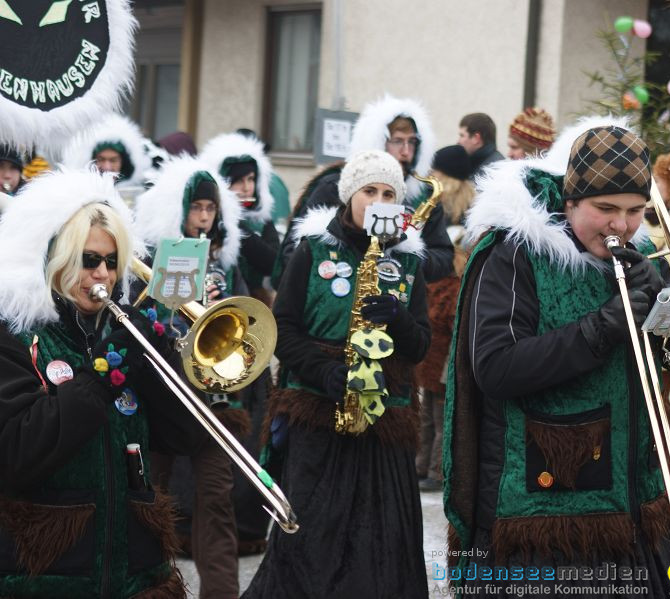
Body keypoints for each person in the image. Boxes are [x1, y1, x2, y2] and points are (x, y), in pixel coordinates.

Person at [444, 116, 670, 598]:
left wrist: (666, 315)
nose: (622, 225)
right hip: (538, 509)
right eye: (605, 208)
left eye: (636, 211)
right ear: (570, 201)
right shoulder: (516, 253)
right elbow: (496, 368)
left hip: (629, 498)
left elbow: (657, 367)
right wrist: (605, 326)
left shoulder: (638, 257)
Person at [0, 168, 205, 598]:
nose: (103, 274)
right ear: (59, 260)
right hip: (51, 572)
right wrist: (104, 373)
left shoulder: (121, 335)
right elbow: (17, 451)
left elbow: (186, 436)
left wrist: (158, 360)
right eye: (89, 260)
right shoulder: (19, 338)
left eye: (112, 262)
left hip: (134, 571)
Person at [244, 150, 430, 598]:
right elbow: (282, 329)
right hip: (317, 416)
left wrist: (399, 319)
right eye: (370, 191)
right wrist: (327, 374)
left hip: (385, 420)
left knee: (382, 544)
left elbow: (421, 344)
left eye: (389, 193)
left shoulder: (408, 264)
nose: (378, 200)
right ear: (350, 195)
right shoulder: (312, 251)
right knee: (311, 540)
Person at [134, 155, 247, 599]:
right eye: (196, 208)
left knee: (218, 503)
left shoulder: (224, 261)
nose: (204, 218)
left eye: (210, 210)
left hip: (213, 399)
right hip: (163, 398)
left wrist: (219, 303)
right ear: (179, 211)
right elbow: (142, 322)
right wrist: (172, 299)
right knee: (152, 504)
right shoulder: (153, 256)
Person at [275, 94, 453, 286]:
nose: (406, 151)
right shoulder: (333, 186)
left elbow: (443, 256)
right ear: (376, 142)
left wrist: (407, 258)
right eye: (398, 141)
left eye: (412, 142)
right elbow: (291, 253)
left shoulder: (424, 196)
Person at [414, 145, 475, 492]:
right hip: (438, 319)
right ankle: (424, 465)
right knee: (431, 407)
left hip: (444, 313)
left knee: (438, 410)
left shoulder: (451, 210)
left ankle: (435, 469)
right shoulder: (447, 206)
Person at [200, 132, 281, 308]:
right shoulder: (205, 220)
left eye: (251, 179)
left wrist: (238, 228)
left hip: (254, 302)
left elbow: (274, 265)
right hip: (211, 301)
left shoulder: (261, 222)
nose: (246, 188)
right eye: (238, 181)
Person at [61, 113, 153, 192]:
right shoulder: (73, 193)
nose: (107, 167)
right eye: (101, 159)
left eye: (113, 160)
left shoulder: (137, 195)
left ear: (124, 162)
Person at [458, 112, 504, 177]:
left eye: (462, 136)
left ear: (476, 138)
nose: (458, 141)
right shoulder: (476, 164)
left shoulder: (493, 170)